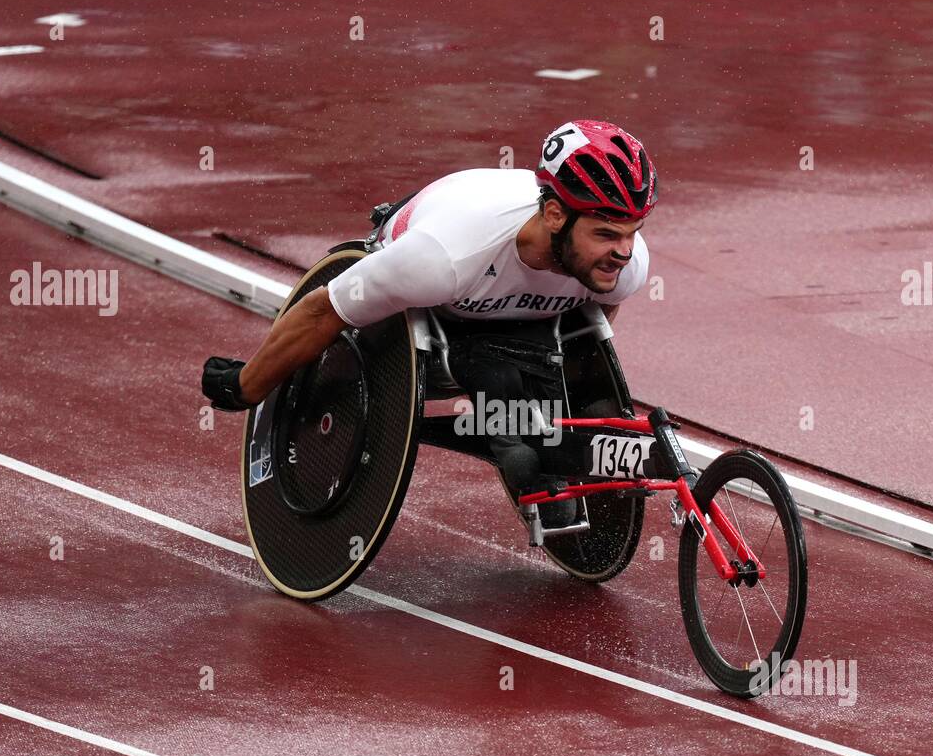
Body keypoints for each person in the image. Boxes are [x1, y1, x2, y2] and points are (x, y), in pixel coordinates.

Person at [202, 119, 657, 526]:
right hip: (430, 299)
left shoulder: (620, 269)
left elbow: (583, 340)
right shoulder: (440, 259)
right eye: (605, 234)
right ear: (556, 215)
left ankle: (521, 435)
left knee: (517, 379)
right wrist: (246, 385)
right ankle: (503, 410)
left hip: (505, 309)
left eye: (631, 233)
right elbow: (323, 309)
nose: (623, 251)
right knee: (490, 372)